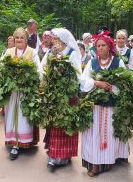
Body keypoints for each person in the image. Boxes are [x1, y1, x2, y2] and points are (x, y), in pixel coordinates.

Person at [80, 34, 129, 177]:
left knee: (110, 132)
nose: (100, 48)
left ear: (109, 47)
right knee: (94, 133)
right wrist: (96, 83)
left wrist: (112, 88)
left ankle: (109, 159)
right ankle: (95, 163)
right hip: (95, 105)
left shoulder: (117, 62)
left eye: (103, 45)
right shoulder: (92, 62)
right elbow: (83, 80)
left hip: (112, 106)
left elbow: (124, 83)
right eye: (98, 46)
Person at [42, 28, 82, 171]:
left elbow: (78, 75)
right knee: (55, 124)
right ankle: (55, 155)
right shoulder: (51, 52)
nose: (54, 41)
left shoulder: (72, 54)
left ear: (64, 40)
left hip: (68, 95)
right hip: (53, 95)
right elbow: (42, 69)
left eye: (56, 38)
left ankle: (62, 156)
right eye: (53, 38)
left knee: (65, 123)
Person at [2, 27, 42, 160]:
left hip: (26, 91)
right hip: (13, 92)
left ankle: (25, 141)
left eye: (22, 38)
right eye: (17, 38)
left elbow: (39, 71)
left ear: (26, 39)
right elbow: (1, 67)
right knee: (12, 115)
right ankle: (14, 143)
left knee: (24, 115)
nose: (19, 40)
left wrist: (29, 78)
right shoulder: (9, 52)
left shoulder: (32, 52)